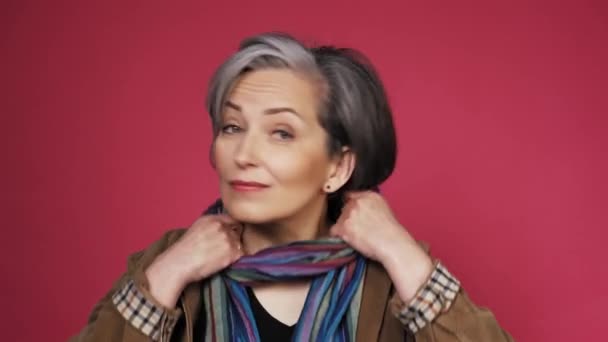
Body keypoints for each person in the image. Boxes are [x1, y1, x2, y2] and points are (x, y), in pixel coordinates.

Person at [71, 33, 513, 342]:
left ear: (337, 168)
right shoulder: (169, 261)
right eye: (231, 126)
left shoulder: (392, 276)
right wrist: (166, 276)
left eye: (281, 132)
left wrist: (404, 255)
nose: (244, 153)